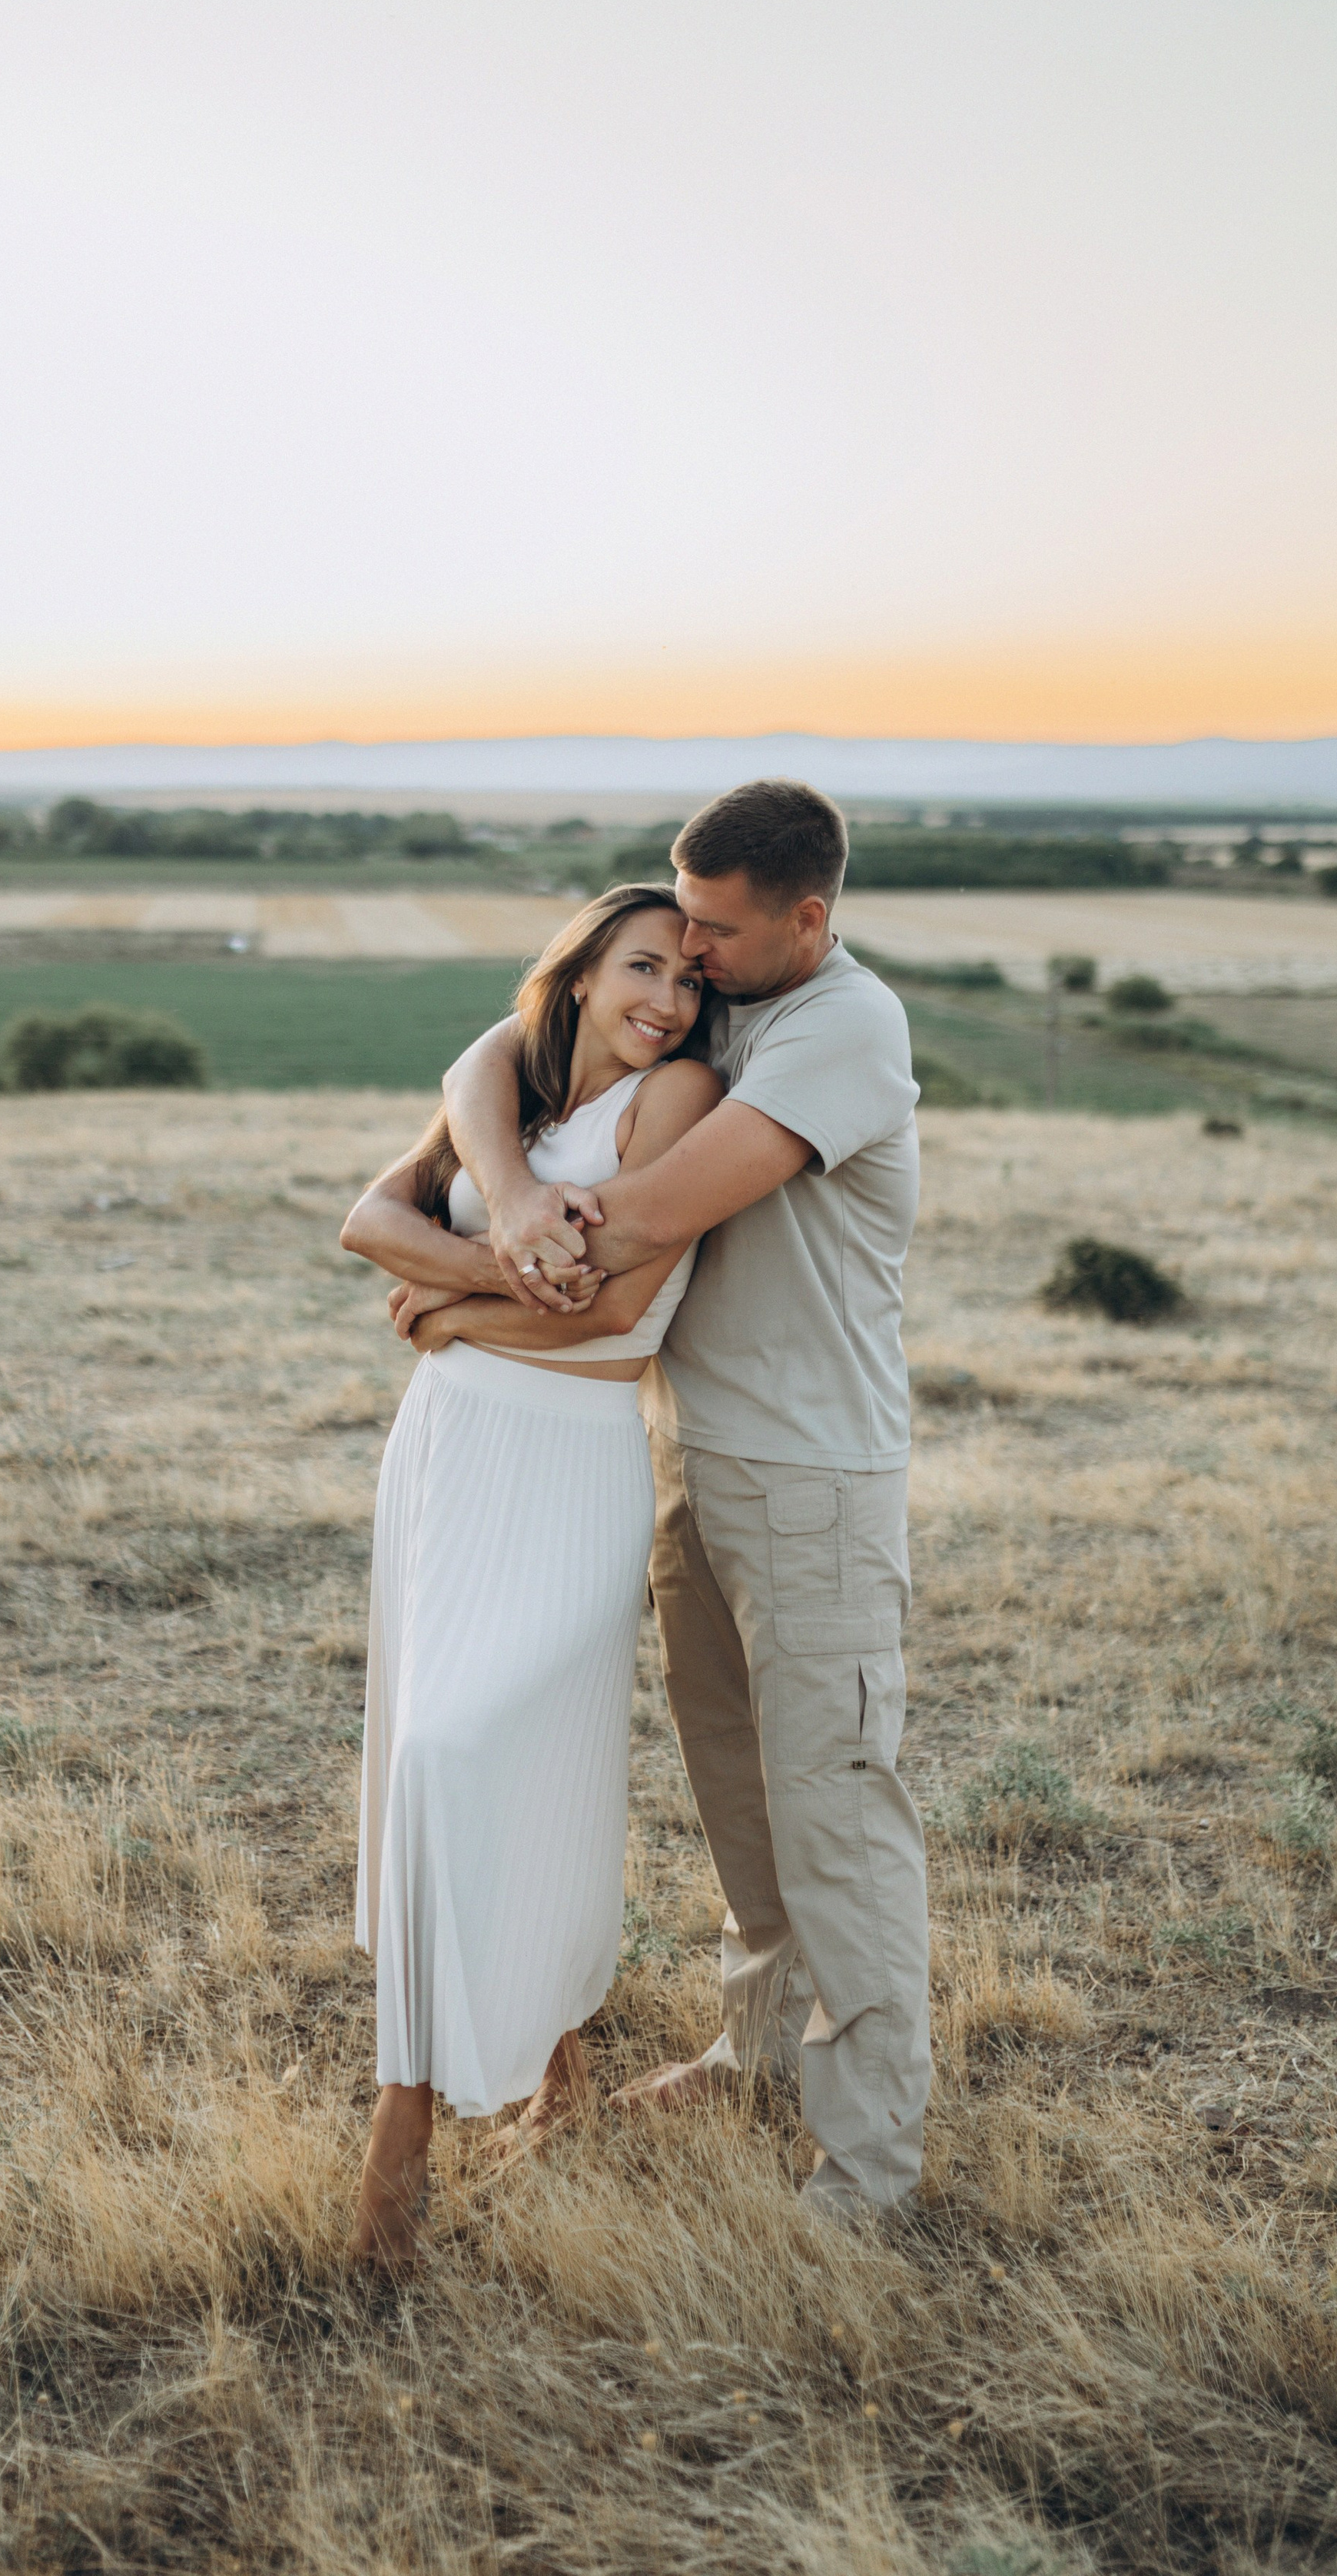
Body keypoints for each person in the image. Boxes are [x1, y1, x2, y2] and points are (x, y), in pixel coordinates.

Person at [440, 779, 928, 2227]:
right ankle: (758, 2052)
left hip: (812, 1480)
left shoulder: (844, 1025)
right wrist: (512, 1186)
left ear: (808, 918)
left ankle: (870, 2169)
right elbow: (497, 1047)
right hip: (684, 1458)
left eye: (716, 927)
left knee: (835, 1814)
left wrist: (463, 1272)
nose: (692, 954)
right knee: (740, 1798)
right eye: (682, 923)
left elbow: (649, 1218)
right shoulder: (728, 998)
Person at [338, 886, 722, 2269]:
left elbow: (616, 1306)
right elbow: (365, 1222)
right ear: (578, 969)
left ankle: (401, 2130)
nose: (669, 1001)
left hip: (570, 1461)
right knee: (488, 1760)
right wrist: (480, 1253)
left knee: (469, 1753)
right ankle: (555, 2074)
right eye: (642, 967)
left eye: (688, 979)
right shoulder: (501, 1075)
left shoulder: (673, 1099)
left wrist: (442, 1304)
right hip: (448, 1450)